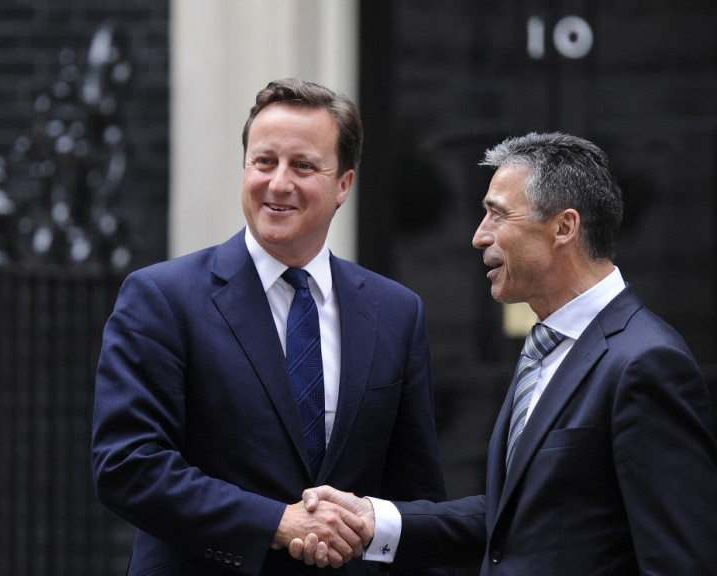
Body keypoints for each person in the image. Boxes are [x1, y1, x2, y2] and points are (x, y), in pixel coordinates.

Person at [292, 132, 717, 574]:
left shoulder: (647, 362)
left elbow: (679, 560)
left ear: (564, 228)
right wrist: (372, 521)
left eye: (497, 215)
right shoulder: (548, 347)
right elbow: (517, 518)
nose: (479, 237)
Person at [90, 78, 450, 575]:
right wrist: (275, 523)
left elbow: (415, 498)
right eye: (264, 162)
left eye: (303, 166)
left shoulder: (396, 312)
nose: (279, 183)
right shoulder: (162, 298)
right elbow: (128, 466)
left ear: (344, 184)